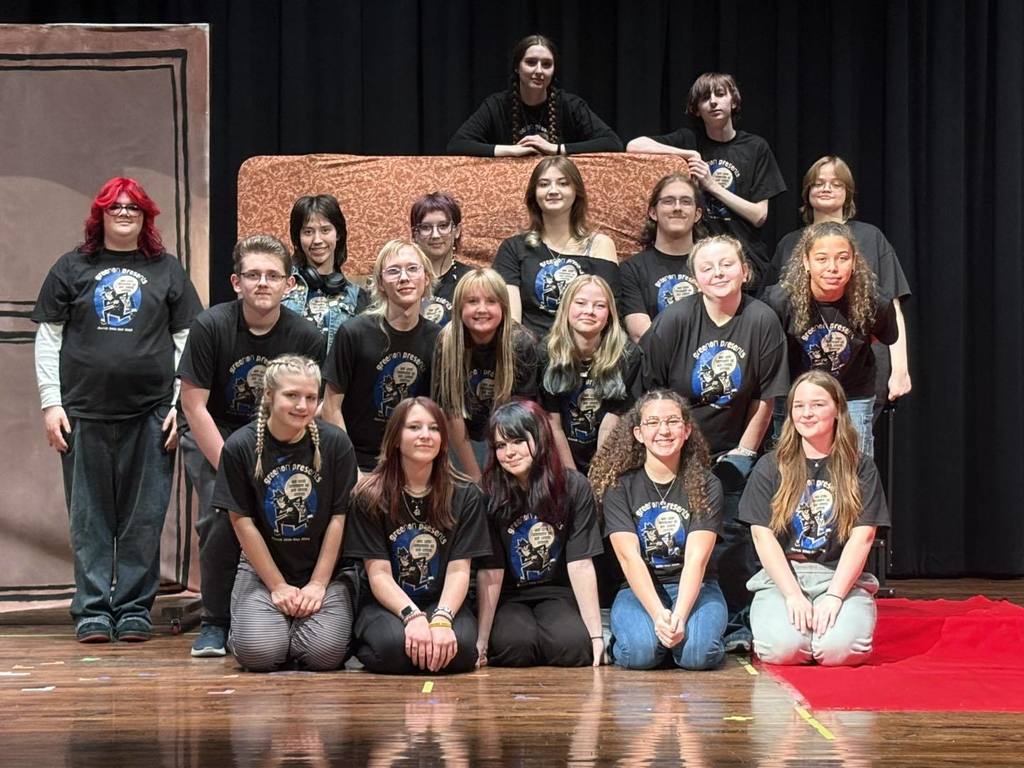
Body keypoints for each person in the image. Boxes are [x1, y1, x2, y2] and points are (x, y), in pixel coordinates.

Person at [32, 177, 202, 643]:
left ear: (146, 216)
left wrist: (177, 405)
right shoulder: (72, 267)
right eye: (115, 207)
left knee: (143, 518)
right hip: (83, 414)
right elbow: (48, 338)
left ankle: (131, 609)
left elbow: (186, 340)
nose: (124, 213)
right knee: (88, 518)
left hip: (150, 415)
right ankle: (91, 611)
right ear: (100, 216)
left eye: (133, 207)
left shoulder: (166, 270)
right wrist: (52, 405)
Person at [178, 234, 326, 657]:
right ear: (236, 281)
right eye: (253, 274)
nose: (263, 283)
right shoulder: (211, 326)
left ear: (289, 284)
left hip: (285, 437)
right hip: (217, 434)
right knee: (221, 518)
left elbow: (310, 405)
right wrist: (235, 468)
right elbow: (193, 405)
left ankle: (293, 607)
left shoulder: (307, 335)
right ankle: (215, 620)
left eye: (272, 275)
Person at [639, 234, 788, 648]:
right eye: (707, 267)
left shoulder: (762, 319)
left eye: (727, 265)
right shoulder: (675, 320)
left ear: (745, 270)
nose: (718, 273)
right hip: (677, 446)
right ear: (695, 278)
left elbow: (767, 393)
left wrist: (744, 451)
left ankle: (737, 624)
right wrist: (669, 446)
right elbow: (653, 390)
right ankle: (674, 613)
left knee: (737, 533)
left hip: (735, 446)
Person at [212, 355, 357, 671]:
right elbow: (242, 521)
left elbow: (338, 517)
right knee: (260, 655)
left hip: (323, 570)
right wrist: (277, 586)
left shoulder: (337, 444)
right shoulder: (239, 446)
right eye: (292, 395)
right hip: (263, 572)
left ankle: (291, 629)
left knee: (325, 656)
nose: (302, 406)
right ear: (268, 396)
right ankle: (271, 629)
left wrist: (318, 584)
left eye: (311, 397)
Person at [739, 370, 889, 666]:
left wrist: (834, 597)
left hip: (838, 578)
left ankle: (826, 627)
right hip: (784, 578)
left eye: (818, 404)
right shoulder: (771, 465)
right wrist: (793, 595)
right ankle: (793, 626)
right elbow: (762, 535)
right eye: (799, 405)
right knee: (783, 650)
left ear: (837, 410)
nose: (807, 413)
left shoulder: (861, 467)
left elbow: (864, 537)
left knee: (839, 651)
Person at [343, 397, 491, 674]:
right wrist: (413, 616)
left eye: (434, 428)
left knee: (459, 653)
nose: (425, 435)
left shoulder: (466, 494)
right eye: (414, 427)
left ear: (443, 439)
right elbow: (378, 575)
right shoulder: (368, 495)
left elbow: (460, 569)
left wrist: (442, 619)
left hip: (443, 600)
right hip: (387, 603)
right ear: (396, 437)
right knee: (392, 649)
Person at [588, 390, 726, 670]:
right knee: (639, 655)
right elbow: (629, 558)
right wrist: (658, 614)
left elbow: (696, 560)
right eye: (653, 423)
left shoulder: (707, 484)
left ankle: (691, 638)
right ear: (638, 433)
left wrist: (679, 615)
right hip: (639, 590)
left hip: (696, 588)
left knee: (698, 656)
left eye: (673, 421)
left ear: (687, 430)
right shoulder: (620, 487)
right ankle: (645, 636)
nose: (663, 430)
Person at [770, 156, 912, 418]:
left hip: (858, 372)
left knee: (854, 454)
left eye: (836, 184)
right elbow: (771, 312)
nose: (826, 188)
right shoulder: (789, 243)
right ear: (807, 192)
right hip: (799, 376)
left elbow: (891, 305)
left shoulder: (871, 237)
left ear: (848, 193)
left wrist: (900, 369)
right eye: (818, 183)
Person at [627, 72, 786, 292]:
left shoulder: (755, 147)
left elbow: (759, 215)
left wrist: (712, 186)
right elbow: (634, 145)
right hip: (698, 256)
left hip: (746, 255)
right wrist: (688, 153)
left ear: (733, 101)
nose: (713, 101)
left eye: (720, 94)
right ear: (696, 109)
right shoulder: (690, 139)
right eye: (704, 98)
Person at [476, 400, 605, 667]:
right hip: (508, 596)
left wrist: (596, 636)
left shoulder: (574, 486)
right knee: (516, 645)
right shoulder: (488, 493)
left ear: (541, 439)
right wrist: (482, 640)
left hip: (556, 591)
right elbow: (491, 572)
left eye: (518, 442)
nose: (509, 452)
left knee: (573, 647)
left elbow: (581, 563)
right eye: (501, 445)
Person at [764, 221, 898, 457]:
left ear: (854, 261)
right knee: (789, 471)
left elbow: (881, 337)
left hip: (851, 395)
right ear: (806, 262)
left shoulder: (874, 302)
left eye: (842, 258)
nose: (833, 267)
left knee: (854, 470)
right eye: (822, 259)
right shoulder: (779, 301)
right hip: (795, 395)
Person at [322, 239, 441, 473]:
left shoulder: (440, 339)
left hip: (415, 465)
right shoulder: (353, 332)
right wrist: (352, 471)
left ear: (426, 278)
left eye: (412, 269)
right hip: (359, 464)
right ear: (380, 283)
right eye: (394, 271)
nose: (404, 278)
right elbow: (330, 408)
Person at [493, 156, 619, 337]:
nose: (553, 191)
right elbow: (512, 323)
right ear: (534, 195)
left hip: (585, 349)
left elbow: (610, 313)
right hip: (532, 352)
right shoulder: (513, 248)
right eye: (544, 184)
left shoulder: (600, 245)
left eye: (563, 183)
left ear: (577, 192)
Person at [432, 268, 538, 480]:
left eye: (491, 301)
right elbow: (451, 412)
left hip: (507, 436)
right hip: (461, 438)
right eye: (472, 301)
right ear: (459, 307)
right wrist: (476, 479)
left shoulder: (521, 343)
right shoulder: (447, 341)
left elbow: (521, 416)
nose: (482, 309)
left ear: (504, 307)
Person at [447, 34, 622, 157]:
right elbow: (457, 145)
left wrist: (555, 149)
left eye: (546, 64)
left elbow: (612, 143)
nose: (539, 71)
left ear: (553, 71)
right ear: (517, 67)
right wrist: (512, 151)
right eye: (531, 63)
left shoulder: (570, 105)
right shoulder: (497, 105)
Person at [538, 274, 640, 474]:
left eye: (600, 306)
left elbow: (610, 424)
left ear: (610, 313)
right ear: (566, 307)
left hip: (608, 455)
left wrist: (597, 477)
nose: (589, 311)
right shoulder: (546, 353)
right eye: (581, 303)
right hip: (560, 456)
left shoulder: (627, 355)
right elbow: (554, 425)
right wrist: (574, 479)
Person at [620, 173, 704, 342]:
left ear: (697, 214)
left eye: (686, 202)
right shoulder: (631, 269)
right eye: (668, 201)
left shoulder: (712, 265)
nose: (677, 208)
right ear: (653, 212)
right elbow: (640, 334)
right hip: (656, 364)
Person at [281, 194, 368, 351]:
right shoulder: (282, 288)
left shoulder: (357, 297)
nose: (317, 240)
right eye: (308, 232)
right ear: (297, 238)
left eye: (325, 230)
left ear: (338, 234)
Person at [411, 192, 472, 327]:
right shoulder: (404, 278)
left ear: (457, 231)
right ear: (415, 235)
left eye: (443, 226)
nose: (435, 235)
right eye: (426, 228)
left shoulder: (471, 280)